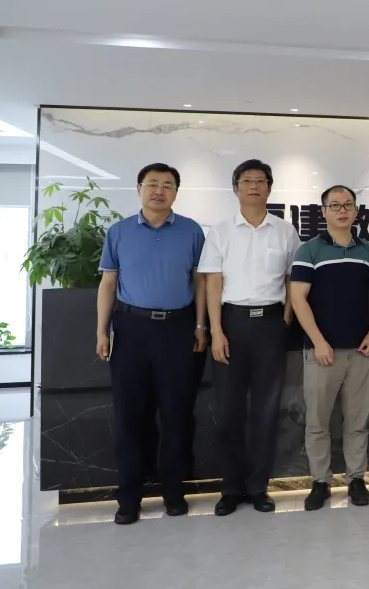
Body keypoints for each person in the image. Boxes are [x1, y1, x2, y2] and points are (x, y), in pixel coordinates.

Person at [95, 163, 207, 525]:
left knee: (176, 414)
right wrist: (102, 331)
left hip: (178, 329)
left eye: (167, 185)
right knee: (130, 416)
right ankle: (129, 498)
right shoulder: (119, 231)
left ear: (176, 192)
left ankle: (174, 493)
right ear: (139, 189)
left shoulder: (191, 231)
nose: (159, 191)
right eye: (152, 184)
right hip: (131, 329)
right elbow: (108, 283)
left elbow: (200, 282)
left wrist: (201, 325)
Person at [199, 159, 301, 515]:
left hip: (270, 324)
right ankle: (230, 488)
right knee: (229, 412)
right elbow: (213, 283)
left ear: (269, 188)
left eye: (260, 180)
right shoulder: (221, 231)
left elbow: (292, 279)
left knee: (265, 412)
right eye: (247, 180)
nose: (254, 186)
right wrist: (216, 331)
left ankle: (258, 488)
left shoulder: (285, 231)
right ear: (235, 188)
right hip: (231, 323)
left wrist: (285, 319)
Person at [290, 185, 369, 510]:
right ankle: (320, 482)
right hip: (321, 352)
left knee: (358, 421)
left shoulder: (368, 251)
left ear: (356, 211)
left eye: (348, 205)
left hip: (361, 351)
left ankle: (356, 479)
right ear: (323, 212)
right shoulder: (309, 250)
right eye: (335, 205)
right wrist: (318, 341)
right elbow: (298, 298)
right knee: (318, 422)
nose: (342, 211)